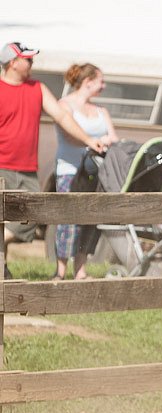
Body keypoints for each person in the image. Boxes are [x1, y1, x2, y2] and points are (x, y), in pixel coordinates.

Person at [0, 43, 105, 255]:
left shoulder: (37, 88)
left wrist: (88, 139)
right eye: (27, 59)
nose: (32, 63)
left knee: (32, 216)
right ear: (13, 63)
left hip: (27, 169)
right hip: (1, 166)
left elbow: (62, 116)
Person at [53, 63, 118, 280]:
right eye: (101, 81)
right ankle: (59, 271)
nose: (104, 85)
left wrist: (104, 142)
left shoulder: (101, 111)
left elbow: (114, 138)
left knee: (89, 221)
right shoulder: (63, 106)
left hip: (96, 172)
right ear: (88, 82)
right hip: (70, 171)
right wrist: (94, 141)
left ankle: (80, 269)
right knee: (67, 220)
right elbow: (69, 135)